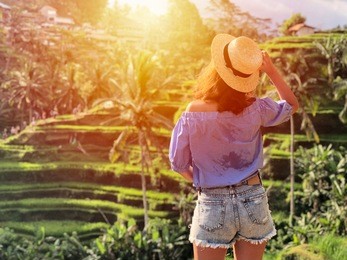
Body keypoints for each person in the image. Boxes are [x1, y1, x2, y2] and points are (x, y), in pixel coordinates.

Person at [169, 34, 299, 260]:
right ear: (249, 76)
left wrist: (205, 179)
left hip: (212, 200)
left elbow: (178, 163)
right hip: (253, 197)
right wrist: (271, 71)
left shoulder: (194, 111)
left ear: (217, 70)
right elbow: (291, 105)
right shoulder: (256, 108)